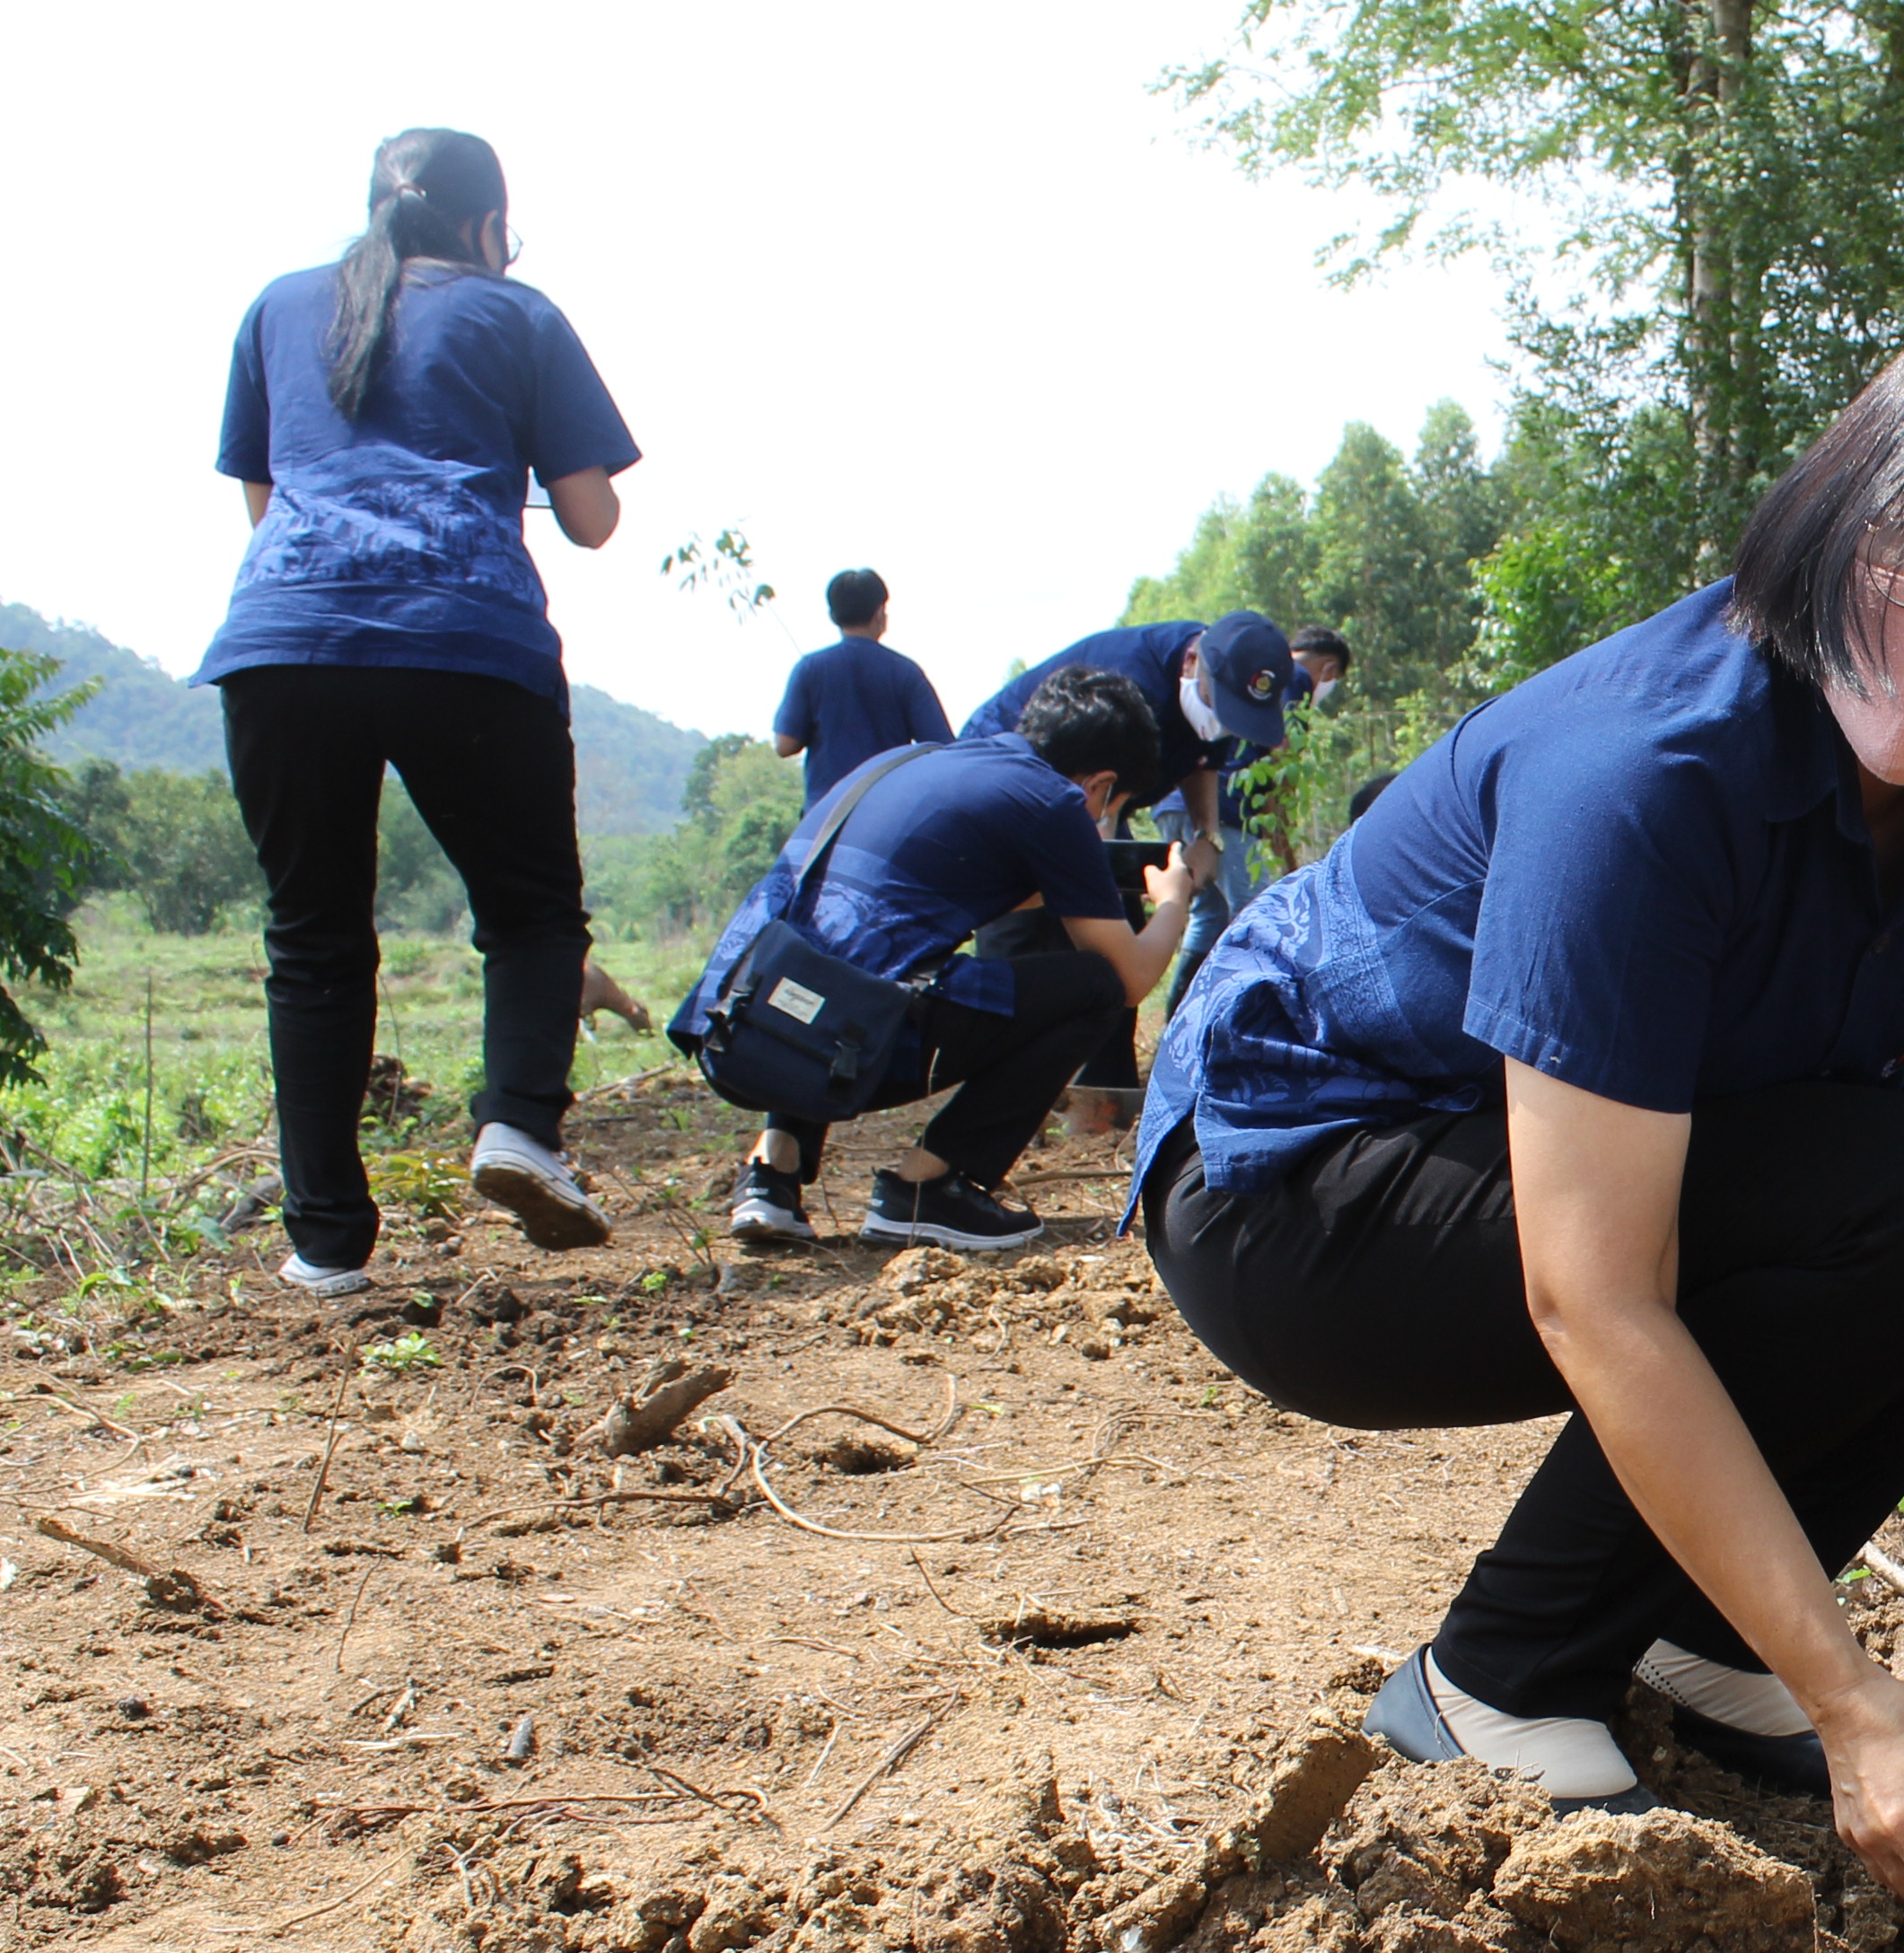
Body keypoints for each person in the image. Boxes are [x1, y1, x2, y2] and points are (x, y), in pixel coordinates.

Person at [1136, 320, 1904, 1938]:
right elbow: (1593, 1290)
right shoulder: (1646, 769)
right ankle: (1496, 1682)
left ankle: (1700, 1637)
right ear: (1838, 511)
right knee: (1891, 1190)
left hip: (1557, 1178)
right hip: (1295, 1189)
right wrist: (1844, 1693)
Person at [198, 127, 638, 1297]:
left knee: (315, 938)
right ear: (488, 227)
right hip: (466, 636)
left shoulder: (281, 308)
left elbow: (264, 494)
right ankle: (518, 1131)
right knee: (533, 912)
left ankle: (327, 1245)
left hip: (285, 639)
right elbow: (591, 517)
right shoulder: (517, 312)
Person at [672, 666, 1201, 1257]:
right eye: (1111, 805)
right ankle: (926, 1188)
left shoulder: (909, 763)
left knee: (835, 946)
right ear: (1099, 784)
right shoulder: (1051, 799)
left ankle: (773, 1172)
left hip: (741, 1028)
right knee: (1093, 988)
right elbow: (1129, 979)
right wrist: (1174, 901)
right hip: (844, 1051)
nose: (1099, 818)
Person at [961, 611, 1294, 1134]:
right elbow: (1089, 798)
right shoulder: (1130, 684)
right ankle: (992, 1113)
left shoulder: (1219, 688)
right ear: (1192, 663)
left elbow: (1202, 760)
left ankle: (1103, 1106)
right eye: (1223, 707)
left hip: (1092, 807)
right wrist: (1148, 896)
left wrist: (1207, 837)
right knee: (1026, 941)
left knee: (1109, 953)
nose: (1226, 721)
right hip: (1016, 791)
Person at [773, 569, 949, 811]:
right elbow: (942, 749)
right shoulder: (905, 672)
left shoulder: (809, 669)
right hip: (888, 814)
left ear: (833, 616)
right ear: (879, 613)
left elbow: (784, 745)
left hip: (824, 818)